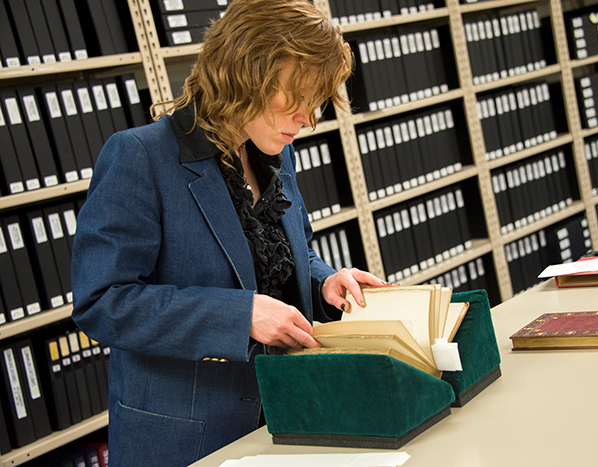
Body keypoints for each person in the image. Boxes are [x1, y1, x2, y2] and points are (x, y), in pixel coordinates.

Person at [70, 1, 386, 465]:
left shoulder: (274, 151)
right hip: (189, 438)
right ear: (245, 75)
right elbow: (103, 301)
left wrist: (325, 283)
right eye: (296, 97)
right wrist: (239, 317)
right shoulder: (140, 156)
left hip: (285, 417)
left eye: (315, 99)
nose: (308, 117)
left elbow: (281, 257)